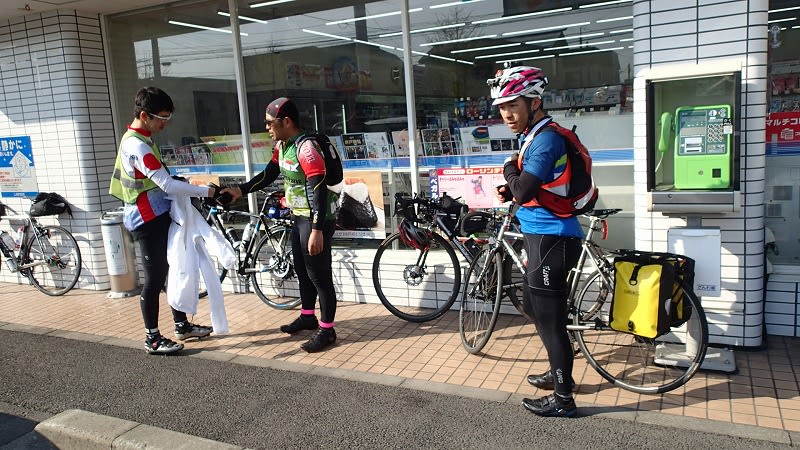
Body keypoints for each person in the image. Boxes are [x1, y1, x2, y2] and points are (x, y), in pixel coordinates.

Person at [489, 67, 583, 417]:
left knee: (550, 321)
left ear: (535, 102)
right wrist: (512, 184)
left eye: (513, 105)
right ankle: (560, 366)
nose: (507, 114)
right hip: (540, 236)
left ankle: (563, 398)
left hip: (552, 239)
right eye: (502, 107)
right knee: (532, 304)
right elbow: (530, 189)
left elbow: (523, 187)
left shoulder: (545, 140)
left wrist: (508, 171)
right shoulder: (534, 135)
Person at [221, 97, 339, 353]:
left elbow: (318, 187)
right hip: (298, 217)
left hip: (315, 219)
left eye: (269, 123)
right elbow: (268, 174)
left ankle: (327, 330)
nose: (267, 128)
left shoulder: (306, 148)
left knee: (319, 276)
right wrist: (240, 191)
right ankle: (308, 316)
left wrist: (317, 229)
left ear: (286, 121)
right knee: (302, 268)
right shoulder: (282, 145)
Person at [110, 87, 222, 355]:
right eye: (161, 117)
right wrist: (207, 191)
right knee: (155, 277)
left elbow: (162, 181)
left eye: (167, 118)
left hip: (159, 215)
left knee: (174, 270)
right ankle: (153, 338)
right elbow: (166, 184)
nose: (165, 123)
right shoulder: (136, 144)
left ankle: (181, 324)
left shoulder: (145, 139)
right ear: (144, 115)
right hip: (145, 219)